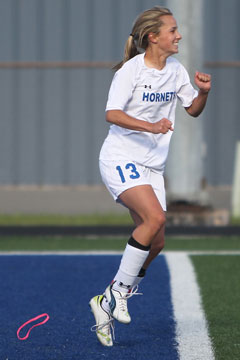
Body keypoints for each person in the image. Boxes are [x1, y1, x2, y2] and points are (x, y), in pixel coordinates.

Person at [89, 5, 211, 347]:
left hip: (151, 166)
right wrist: (151, 125)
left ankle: (107, 300)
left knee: (156, 241)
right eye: (173, 30)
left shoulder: (175, 70)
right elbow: (111, 113)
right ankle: (118, 293)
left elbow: (192, 110)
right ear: (152, 37)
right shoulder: (131, 71)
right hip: (120, 158)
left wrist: (203, 93)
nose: (179, 35)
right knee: (154, 217)